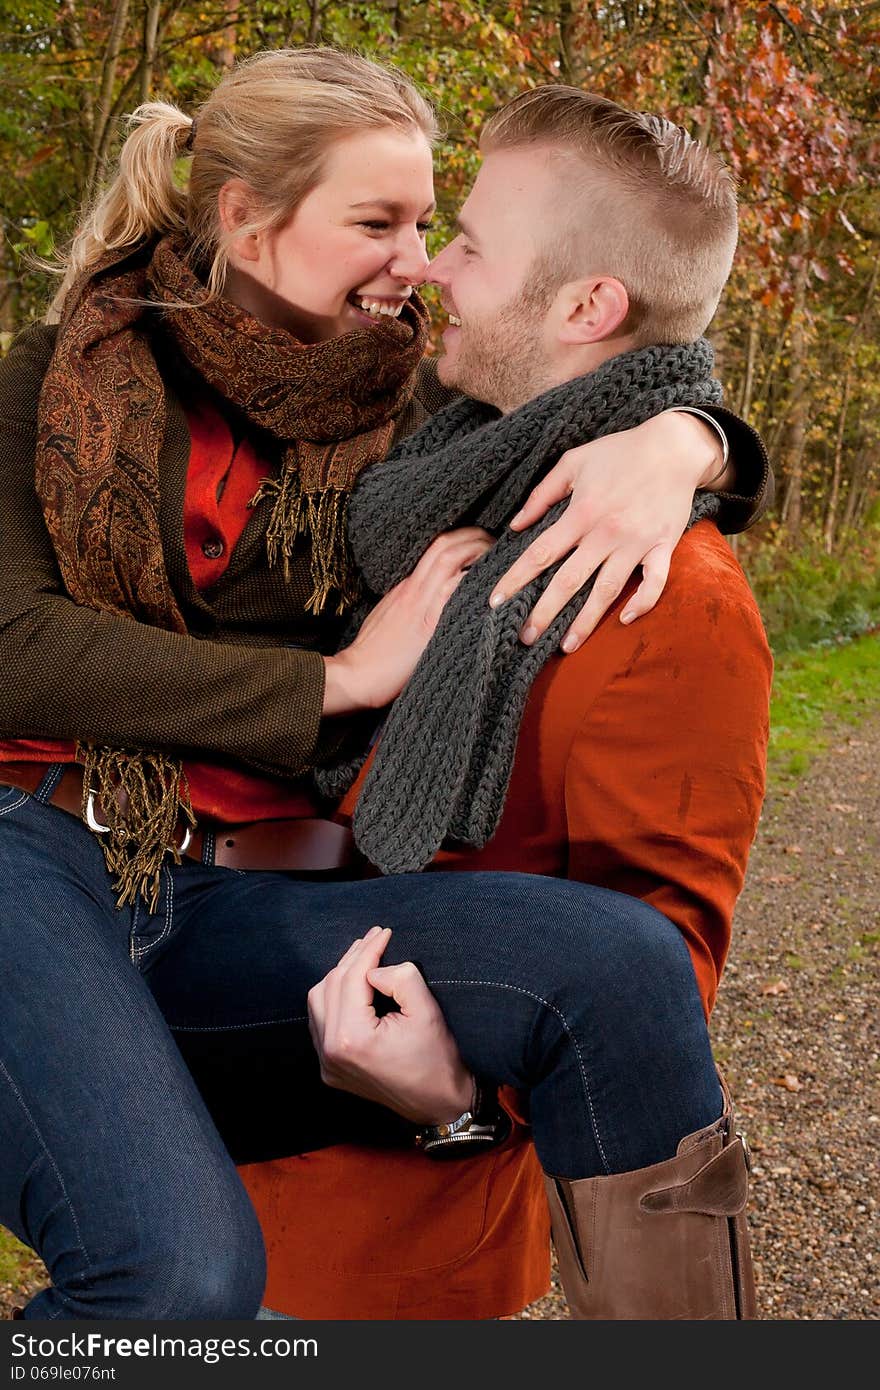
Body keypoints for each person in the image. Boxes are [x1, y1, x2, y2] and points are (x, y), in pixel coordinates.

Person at [0, 49, 768, 1321]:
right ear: (245, 216)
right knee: (185, 1279)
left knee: (620, 965)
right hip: (39, 850)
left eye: (430, 224)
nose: (416, 262)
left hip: (229, 901)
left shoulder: (415, 400)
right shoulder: (58, 380)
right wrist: (338, 681)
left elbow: (597, 371)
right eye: (379, 223)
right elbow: (13, 644)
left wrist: (691, 443)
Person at [242, 85, 774, 1321]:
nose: (433, 268)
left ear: (588, 306)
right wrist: (704, 432)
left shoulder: (667, 599)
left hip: (382, 1249)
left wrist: (462, 1103)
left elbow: (653, 983)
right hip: (204, 1166)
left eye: (471, 242)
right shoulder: (432, 465)